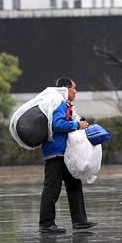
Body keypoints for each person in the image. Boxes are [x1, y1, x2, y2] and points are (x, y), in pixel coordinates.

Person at [39, 77, 97, 233]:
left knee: (74, 183)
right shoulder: (58, 102)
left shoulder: (63, 104)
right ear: (66, 88)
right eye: (74, 87)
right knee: (52, 188)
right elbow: (57, 124)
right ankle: (46, 224)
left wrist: (80, 122)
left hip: (63, 152)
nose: (76, 91)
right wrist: (76, 125)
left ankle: (79, 221)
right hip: (55, 152)